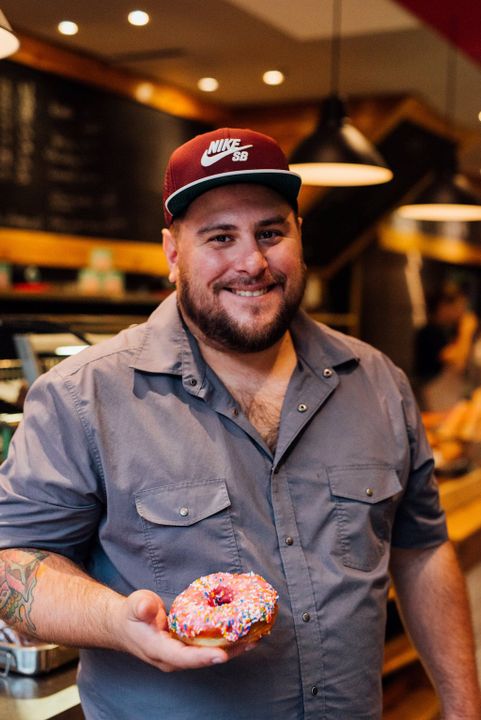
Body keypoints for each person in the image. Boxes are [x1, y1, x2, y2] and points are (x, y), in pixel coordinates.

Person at [0, 128, 480, 720]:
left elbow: (422, 547)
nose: (252, 262)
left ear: (299, 237)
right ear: (173, 253)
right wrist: (117, 623)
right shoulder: (84, 395)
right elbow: (12, 556)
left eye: (271, 232)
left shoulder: (378, 382)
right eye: (220, 237)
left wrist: (462, 707)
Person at [414, 282, 479, 412]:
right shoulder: (430, 332)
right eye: (459, 305)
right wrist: (466, 331)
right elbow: (457, 362)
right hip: (432, 400)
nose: (461, 311)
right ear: (443, 306)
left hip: (445, 400)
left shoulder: (447, 331)